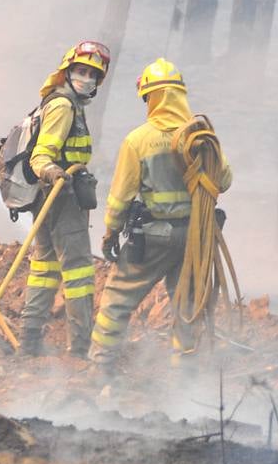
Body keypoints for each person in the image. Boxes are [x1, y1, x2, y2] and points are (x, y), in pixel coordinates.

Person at [90, 58, 232, 368]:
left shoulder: (138, 140)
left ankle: (101, 368)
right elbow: (224, 180)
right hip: (196, 237)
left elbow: (121, 197)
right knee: (189, 305)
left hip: (154, 237)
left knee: (117, 300)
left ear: (151, 97)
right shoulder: (203, 136)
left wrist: (110, 233)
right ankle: (185, 376)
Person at [19, 42, 110, 357]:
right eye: (81, 71)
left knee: (45, 268)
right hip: (62, 197)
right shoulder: (63, 106)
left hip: (49, 197)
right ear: (67, 72)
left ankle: (29, 342)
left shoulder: (66, 102)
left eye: (92, 74)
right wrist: (54, 172)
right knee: (79, 271)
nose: (86, 78)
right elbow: (41, 155)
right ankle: (80, 349)